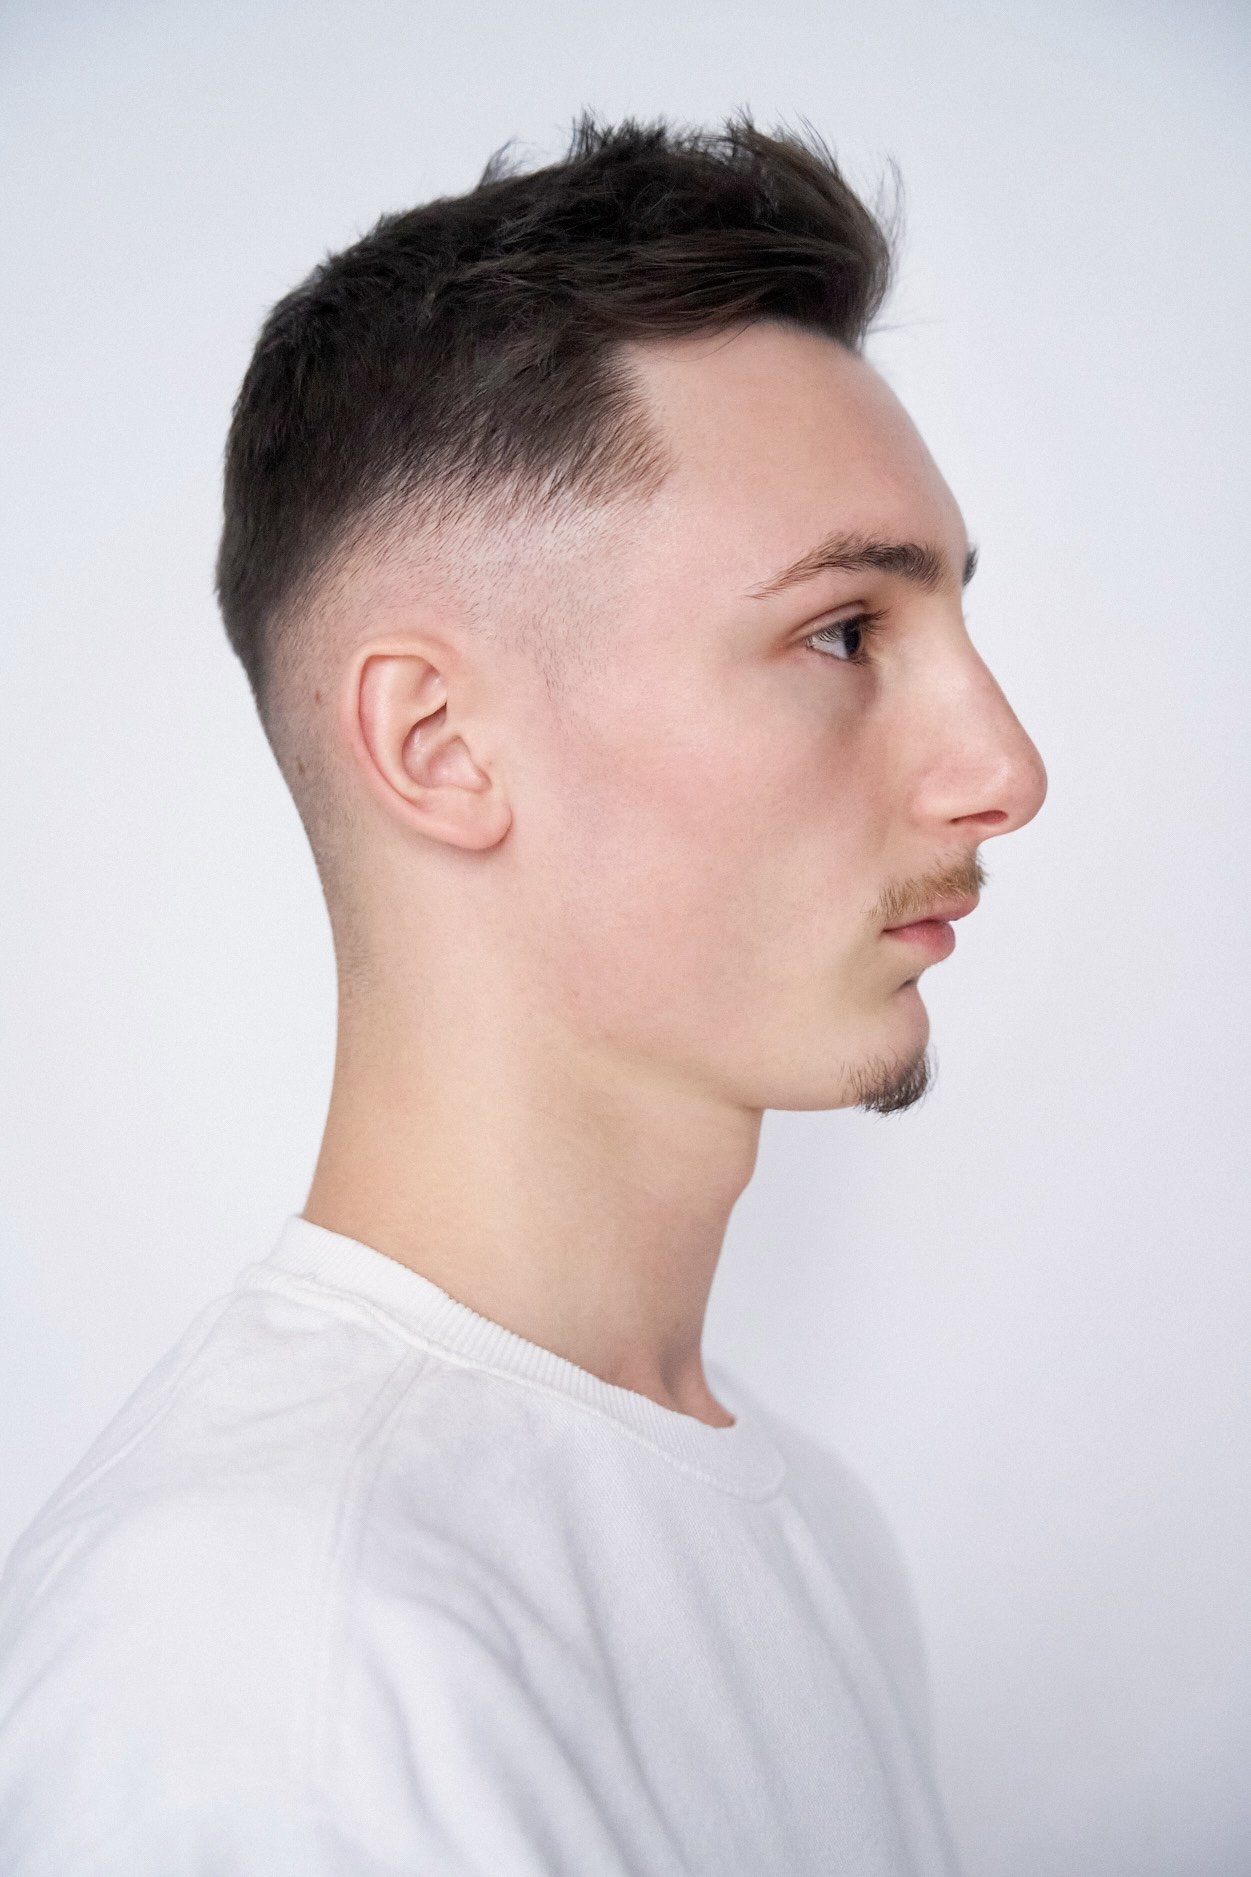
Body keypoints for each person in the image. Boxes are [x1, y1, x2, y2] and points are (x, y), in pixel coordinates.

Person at [0, 113, 1047, 1873]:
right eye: (846, 632)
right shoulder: (270, 1659)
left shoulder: (805, 1528)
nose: (1005, 767)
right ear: (438, 744)